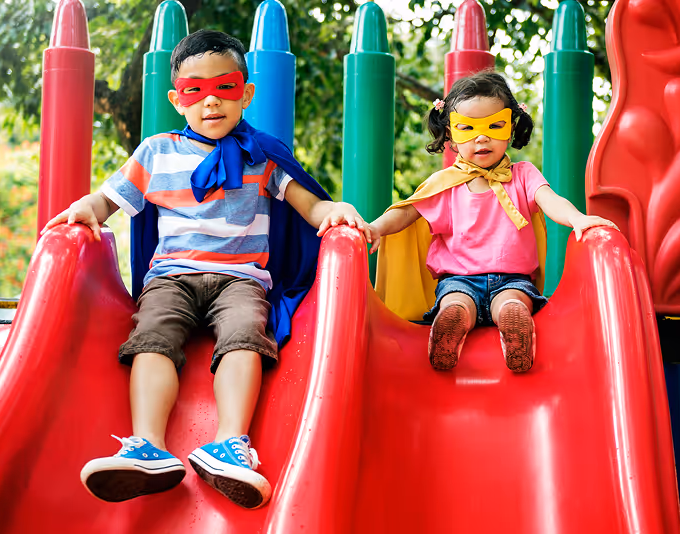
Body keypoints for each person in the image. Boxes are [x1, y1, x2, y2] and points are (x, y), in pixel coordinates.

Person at [42, 29, 372, 509]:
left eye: (225, 87)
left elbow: (309, 205)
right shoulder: (156, 152)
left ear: (247, 93)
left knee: (245, 336)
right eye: (195, 91)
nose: (211, 102)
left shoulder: (263, 155)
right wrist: (86, 209)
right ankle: (146, 445)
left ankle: (232, 444)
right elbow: (109, 200)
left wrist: (334, 212)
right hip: (171, 276)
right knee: (153, 336)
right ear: (178, 99)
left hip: (241, 279)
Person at [366, 71, 616, 373]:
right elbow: (407, 212)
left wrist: (577, 218)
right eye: (467, 129)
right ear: (451, 136)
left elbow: (549, 200)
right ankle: (449, 333)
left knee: (511, 303)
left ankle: (516, 333)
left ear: (511, 129)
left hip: (513, 279)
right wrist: (376, 227)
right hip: (458, 279)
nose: (481, 137)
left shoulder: (522, 175)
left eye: (494, 126)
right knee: (456, 303)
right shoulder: (446, 184)